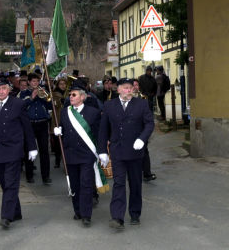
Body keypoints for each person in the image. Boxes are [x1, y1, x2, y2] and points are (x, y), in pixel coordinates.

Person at [0, 78, 38, 229]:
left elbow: (26, 127)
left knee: (11, 183)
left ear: (9, 89)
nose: (1, 91)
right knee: (5, 184)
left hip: (13, 150)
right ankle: (16, 212)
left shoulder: (18, 104)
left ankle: (6, 217)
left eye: (4, 88)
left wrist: (32, 147)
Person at [98, 78, 154, 229]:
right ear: (119, 90)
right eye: (125, 88)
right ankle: (117, 217)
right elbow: (103, 129)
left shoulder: (141, 104)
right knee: (119, 183)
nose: (129, 90)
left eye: (130, 88)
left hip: (135, 152)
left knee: (135, 184)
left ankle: (135, 213)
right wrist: (102, 150)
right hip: (117, 151)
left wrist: (142, 139)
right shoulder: (109, 105)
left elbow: (149, 123)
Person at [53, 81, 102, 227]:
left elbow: (98, 134)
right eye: (70, 94)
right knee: (74, 185)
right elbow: (63, 127)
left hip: (87, 154)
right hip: (70, 154)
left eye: (74, 95)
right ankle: (78, 211)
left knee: (86, 184)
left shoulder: (93, 113)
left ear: (82, 97)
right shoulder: (65, 112)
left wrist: (102, 152)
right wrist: (58, 130)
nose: (70, 97)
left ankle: (86, 215)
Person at [24, 73, 52, 185]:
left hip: (42, 123)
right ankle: (29, 175)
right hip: (29, 124)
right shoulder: (24, 93)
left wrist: (46, 98)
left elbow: (50, 107)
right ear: (29, 82)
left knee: (44, 151)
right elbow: (21, 106)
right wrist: (32, 97)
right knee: (29, 150)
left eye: (37, 81)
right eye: (34, 81)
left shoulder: (43, 92)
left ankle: (46, 176)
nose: (36, 83)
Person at [132, 79, 156, 182]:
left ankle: (147, 174)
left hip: (142, 131)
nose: (135, 87)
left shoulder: (143, 98)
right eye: (133, 85)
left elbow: (149, 116)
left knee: (144, 152)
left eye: (137, 85)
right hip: (130, 131)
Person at [51, 78, 67, 168]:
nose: (63, 86)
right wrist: (60, 101)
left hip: (66, 119)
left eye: (64, 84)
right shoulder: (55, 93)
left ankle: (66, 160)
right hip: (58, 119)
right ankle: (57, 160)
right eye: (61, 84)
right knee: (58, 142)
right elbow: (55, 104)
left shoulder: (68, 93)